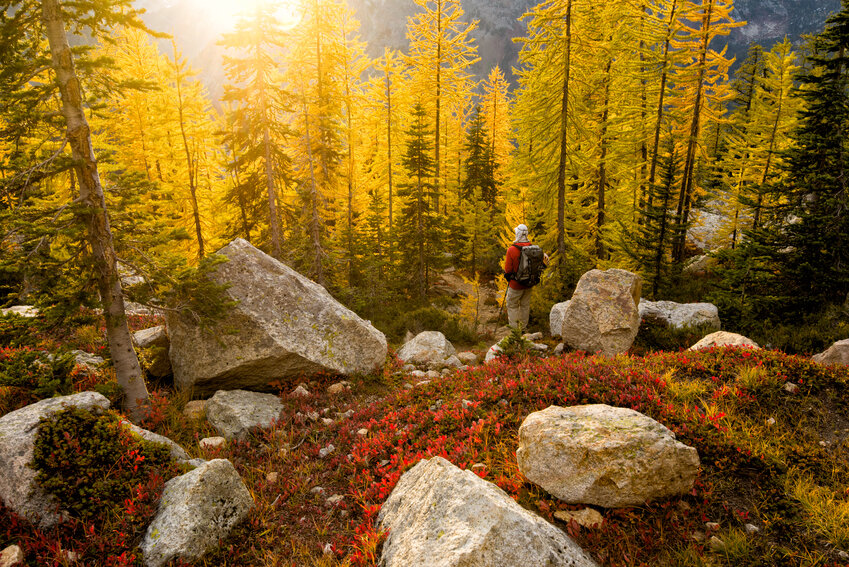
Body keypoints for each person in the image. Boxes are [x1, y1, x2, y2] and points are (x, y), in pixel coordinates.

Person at [503, 224, 548, 329]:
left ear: (517, 234)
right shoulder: (533, 249)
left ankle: (515, 332)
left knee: (512, 305)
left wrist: (508, 277)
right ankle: (523, 329)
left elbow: (508, 270)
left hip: (515, 285)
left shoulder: (511, 250)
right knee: (525, 306)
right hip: (529, 284)